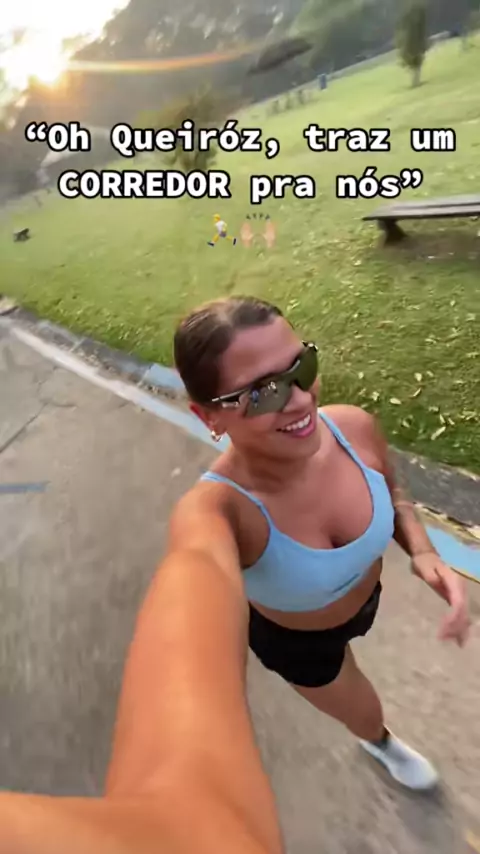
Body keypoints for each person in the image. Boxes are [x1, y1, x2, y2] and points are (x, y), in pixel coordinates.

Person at [172, 294, 470, 790]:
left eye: (301, 367)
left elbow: (393, 491)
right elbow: (181, 604)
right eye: (263, 391)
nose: (300, 400)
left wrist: (422, 551)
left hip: (367, 599)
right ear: (209, 418)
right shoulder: (220, 509)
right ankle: (380, 744)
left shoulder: (353, 427)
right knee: (365, 714)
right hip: (300, 644)